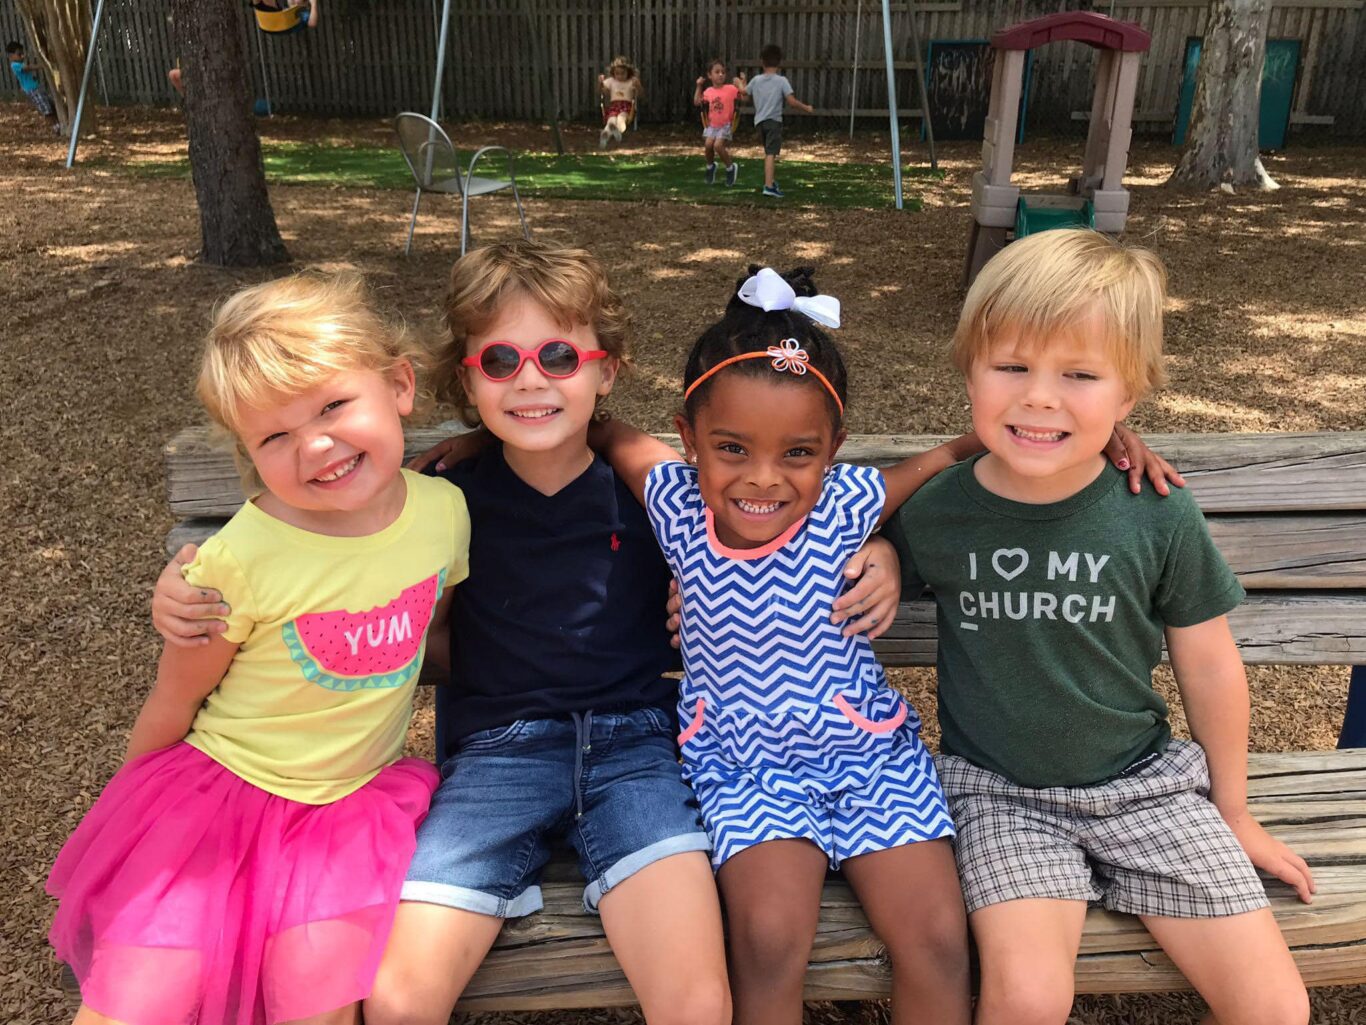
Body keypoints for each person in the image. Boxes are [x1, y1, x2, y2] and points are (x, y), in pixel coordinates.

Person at [150, 241, 905, 1025]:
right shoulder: (439, 500)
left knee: (697, 1003)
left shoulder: (664, 495)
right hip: (495, 758)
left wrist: (883, 549)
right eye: (500, 361)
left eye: (556, 355)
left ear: (605, 369)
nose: (532, 379)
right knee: (401, 999)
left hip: (635, 754)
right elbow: (312, 545)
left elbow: (790, 525)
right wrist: (190, 580)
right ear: (467, 378)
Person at [879, 229, 1315, 1025]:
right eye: (1011, 366)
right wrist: (877, 552)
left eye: (1080, 375)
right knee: (1028, 996)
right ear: (969, 372)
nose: (1039, 397)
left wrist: (1236, 809)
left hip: (1147, 787)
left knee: (1275, 1006)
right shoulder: (938, 510)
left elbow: (1209, 663)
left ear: (1129, 398)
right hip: (1000, 794)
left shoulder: (1155, 510)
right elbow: (814, 541)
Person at [48, 273, 467, 1025]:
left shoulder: (445, 513)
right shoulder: (237, 561)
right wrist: (134, 822)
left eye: (335, 405)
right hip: (219, 801)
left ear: (400, 384)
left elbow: (426, 633)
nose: (316, 444)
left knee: (319, 1001)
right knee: (138, 1001)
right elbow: (175, 699)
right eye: (274, 436)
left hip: (348, 813)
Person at [587, 265, 980, 1025]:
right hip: (744, 765)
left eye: (798, 452)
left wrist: (1084, 432)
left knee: (937, 938)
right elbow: (600, 431)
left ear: (833, 449)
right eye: (731, 447)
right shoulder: (673, 501)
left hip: (868, 756)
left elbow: (944, 458)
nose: (762, 479)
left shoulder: (847, 503)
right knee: (767, 939)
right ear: (688, 436)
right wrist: (477, 440)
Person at [746, 45, 812, 199]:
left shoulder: (756, 80)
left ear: (762, 61)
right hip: (774, 122)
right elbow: (792, 101)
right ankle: (768, 187)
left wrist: (740, 83)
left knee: (768, 152)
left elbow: (743, 96)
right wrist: (806, 108)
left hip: (760, 122)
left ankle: (771, 181)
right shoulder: (781, 81)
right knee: (770, 154)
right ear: (779, 62)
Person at [693, 59, 746, 187]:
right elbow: (696, 102)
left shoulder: (731, 89)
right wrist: (699, 86)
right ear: (710, 75)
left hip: (726, 124)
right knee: (708, 144)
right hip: (712, 125)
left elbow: (745, 97)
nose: (721, 74)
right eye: (717, 72)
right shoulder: (708, 91)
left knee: (718, 146)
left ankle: (730, 168)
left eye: (723, 72)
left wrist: (741, 83)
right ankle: (711, 166)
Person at [6, 42, 60, 135]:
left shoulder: (20, 62)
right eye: (19, 54)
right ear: (11, 56)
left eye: (22, 53)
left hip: (37, 88)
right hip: (32, 90)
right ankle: (55, 128)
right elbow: (27, 68)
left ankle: (58, 124)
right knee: (46, 109)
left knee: (51, 105)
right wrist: (42, 66)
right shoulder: (14, 65)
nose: (22, 56)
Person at [599, 55, 642, 149]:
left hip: (626, 107)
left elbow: (640, 94)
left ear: (628, 72)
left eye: (622, 73)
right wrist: (601, 84)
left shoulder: (631, 81)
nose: (620, 76)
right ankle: (605, 135)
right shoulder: (611, 81)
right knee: (611, 121)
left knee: (621, 119)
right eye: (617, 73)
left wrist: (638, 86)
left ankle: (617, 130)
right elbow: (604, 92)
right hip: (613, 106)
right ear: (613, 73)